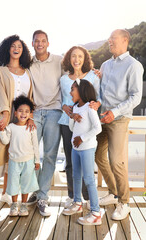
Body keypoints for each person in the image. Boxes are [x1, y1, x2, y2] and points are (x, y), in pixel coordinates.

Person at [96, 29, 144, 220]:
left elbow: (136, 96)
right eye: (109, 38)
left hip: (119, 119)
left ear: (125, 40)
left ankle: (124, 203)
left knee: (117, 160)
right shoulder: (105, 65)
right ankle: (114, 192)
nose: (109, 41)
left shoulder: (134, 65)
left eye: (113, 38)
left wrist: (114, 113)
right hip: (101, 118)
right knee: (97, 155)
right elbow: (100, 91)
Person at [0, 35, 34, 216]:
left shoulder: (28, 71)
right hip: (3, 117)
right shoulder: (0, 70)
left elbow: (30, 98)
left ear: (23, 51)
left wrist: (29, 116)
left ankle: (7, 194)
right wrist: (6, 114)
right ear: (7, 49)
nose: (16, 48)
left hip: (21, 120)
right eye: (13, 46)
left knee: (14, 157)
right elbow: (0, 94)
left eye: (20, 46)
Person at [58, 46, 101, 208]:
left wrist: (96, 104)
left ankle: (88, 198)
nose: (76, 60)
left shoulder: (93, 76)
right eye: (73, 56)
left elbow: (99, 97)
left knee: (87, 161)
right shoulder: (63, 79)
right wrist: (64, 107)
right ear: (69, 59)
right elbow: (61, 99)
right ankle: (74, 197)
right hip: (67, 123)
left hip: (86, 125)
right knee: (70, 161)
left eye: (80, 57)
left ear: (85, 59)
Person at [27, 30, 64, 217]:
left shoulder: (59, 60)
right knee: (30, 155)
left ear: (48, 43)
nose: (40, 44)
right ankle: (36, 189)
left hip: (54, 112)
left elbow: (75, 73)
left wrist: (94, 72)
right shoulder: (28, 63)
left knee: (49, 156)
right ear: (32, 44)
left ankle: (42, 196)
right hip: (34, 113)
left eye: (43, 41)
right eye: (36, 41)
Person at [62, 79, 102, 226]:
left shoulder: (89, 108)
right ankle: (77, 202)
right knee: (76, 176)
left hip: (87, 148)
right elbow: (72, 129)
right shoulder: (75, 107)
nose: (70, 92)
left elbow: (98, 128)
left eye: (73, 89)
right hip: (76, 149)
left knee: (89, 179)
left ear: (82, 90)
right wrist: (72, 117)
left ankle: (96, 213)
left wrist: (82, 138)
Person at [0, 95, 40, 216]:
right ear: (15, 113)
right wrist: (1, 131)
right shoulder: (11, 127)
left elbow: (35, 145)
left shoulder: (31, 128)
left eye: (27, 111)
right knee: (14, 183)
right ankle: (14, 204)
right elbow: (5, 141)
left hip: (28, 160)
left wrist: (37, 160)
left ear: (30, 114)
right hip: (14, 161)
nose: (23, 114)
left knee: (26, 184)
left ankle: (24, 205)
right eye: (20, 111)